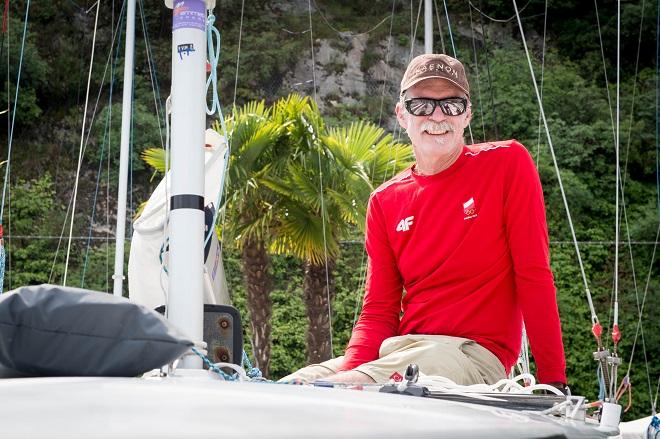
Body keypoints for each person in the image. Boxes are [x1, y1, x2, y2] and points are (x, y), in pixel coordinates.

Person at [280, 53, 567, 389]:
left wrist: (553, 380)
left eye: (452, 104)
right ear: (402, 114)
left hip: (472, 355)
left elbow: (533, 274)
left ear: (467, 115)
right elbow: (379, 310)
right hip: (400, 350)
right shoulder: (385, 202)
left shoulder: (507, 164)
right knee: (293, 385)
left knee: (353, 384)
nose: (437, 115)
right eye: (422, 105)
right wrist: (353, 369)